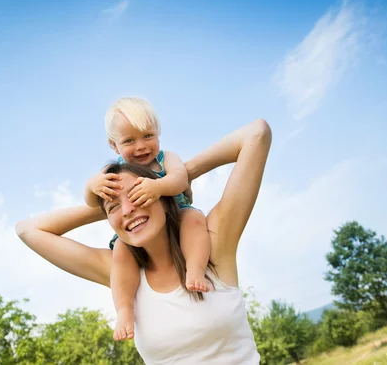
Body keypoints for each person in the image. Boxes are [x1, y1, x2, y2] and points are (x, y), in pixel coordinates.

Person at [16, 118, 271, 364]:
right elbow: (27, 230)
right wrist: (108, 204)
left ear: (161, 195)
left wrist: (177, 179)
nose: (127, 209)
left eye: (137, 194)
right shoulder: (122, 273)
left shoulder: (212, 244)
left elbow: (257, 133)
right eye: (115, 207)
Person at [83, 97, 211, 341]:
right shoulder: (114, 171)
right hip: (140, 228)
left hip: (177, 213)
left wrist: (158, 187)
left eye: (148, 136)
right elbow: (92, 202)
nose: (141, 146)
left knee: (195, 219)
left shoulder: (165, 158)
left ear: (158, 134)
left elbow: (180, 180)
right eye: (129, 141)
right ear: (114, 145)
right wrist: (92, 185)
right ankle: (124, 310)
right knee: (121, 249)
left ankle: (195, 270)